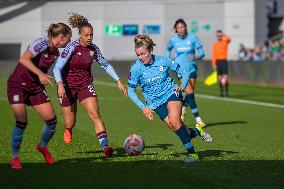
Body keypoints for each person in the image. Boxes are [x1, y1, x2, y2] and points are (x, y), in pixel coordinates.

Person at [128, 35, 213, 163]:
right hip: (155, 103)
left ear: (151, 50)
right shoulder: (136, 69)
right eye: (138, 55)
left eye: (143, 54)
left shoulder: (164, 60)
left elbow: (184, 72)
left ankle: (193, 155)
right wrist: (143, 107)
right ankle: (197, 131)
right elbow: (130, 90)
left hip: (171, 93)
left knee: (175, 121)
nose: (141, 58)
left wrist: (182, 86)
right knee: (178, 129)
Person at [53, 13, 127, 158]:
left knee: (95, 114)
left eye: (91, 35)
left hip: (85, 84)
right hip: (67, 86)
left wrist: (118, 81)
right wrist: (60, 85)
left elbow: (106, 65)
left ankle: (105, 146)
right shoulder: (71, 47)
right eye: (86, 35)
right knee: (70, 122)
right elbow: (57, 68)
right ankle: (68, 129)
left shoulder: (94, 49)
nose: (89, 38)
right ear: (79, 34)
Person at [7, 23, 72, 169]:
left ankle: (42, 146)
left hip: (35, 87)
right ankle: (15, 156)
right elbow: (24, 59)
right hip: (18, 85)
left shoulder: (56, 52)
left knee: (52, 121)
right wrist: (40, 74)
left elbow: (46, 68)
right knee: (22, 121)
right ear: (61, 37)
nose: (68, 42)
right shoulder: (41, 43)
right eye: (68, 38)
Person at [166, 18, 206, 127]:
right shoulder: (173, 40)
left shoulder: (193, 38)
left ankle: (183, 108)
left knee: (190, 94)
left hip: (192, 68)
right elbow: (168, 49)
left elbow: (202, 53)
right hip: (180, 70)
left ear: (186, 28)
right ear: (176, 29)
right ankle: (198, 119)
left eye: (182, 27)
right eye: (178, 28)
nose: (181, 29)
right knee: (190, 92)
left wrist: (196, 56)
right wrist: (168, 60)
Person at [212, 30, 231, 97]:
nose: (219, 36)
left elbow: (229, 39)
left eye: (220, 35)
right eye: (218, 35)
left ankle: (227, 92)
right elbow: (213, 55)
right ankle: (222, 93)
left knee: (225, 78)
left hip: (224, 61)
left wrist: (223, 34)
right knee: (219, 78)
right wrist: (214, 64)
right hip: (218, 62)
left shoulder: (225, 42)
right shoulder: (215, 44)